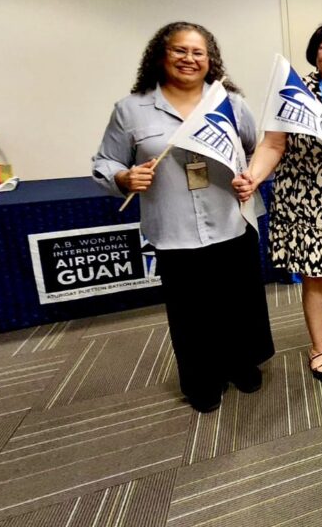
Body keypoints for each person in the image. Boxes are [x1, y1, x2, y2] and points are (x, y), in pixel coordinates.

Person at [92, 22, 274, 413]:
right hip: (174, 229)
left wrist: (251, 177)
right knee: (191, 313)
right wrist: (123, 177)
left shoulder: (228, 103)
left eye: (199, 53)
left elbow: (253, 149)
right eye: (180, 51)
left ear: (211, 61)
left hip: (231, 220)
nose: (189, 59)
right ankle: (202, 380)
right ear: (161, 55)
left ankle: (241, 364)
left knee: (238, 303)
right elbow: (105, 161)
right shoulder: (131, 109)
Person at [234, 23, 322, 385]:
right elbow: (273, 145)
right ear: (314, 54)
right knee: (316, 274)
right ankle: (319, 346)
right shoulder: (294, 92)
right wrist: (255, 175)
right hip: (307, 198)